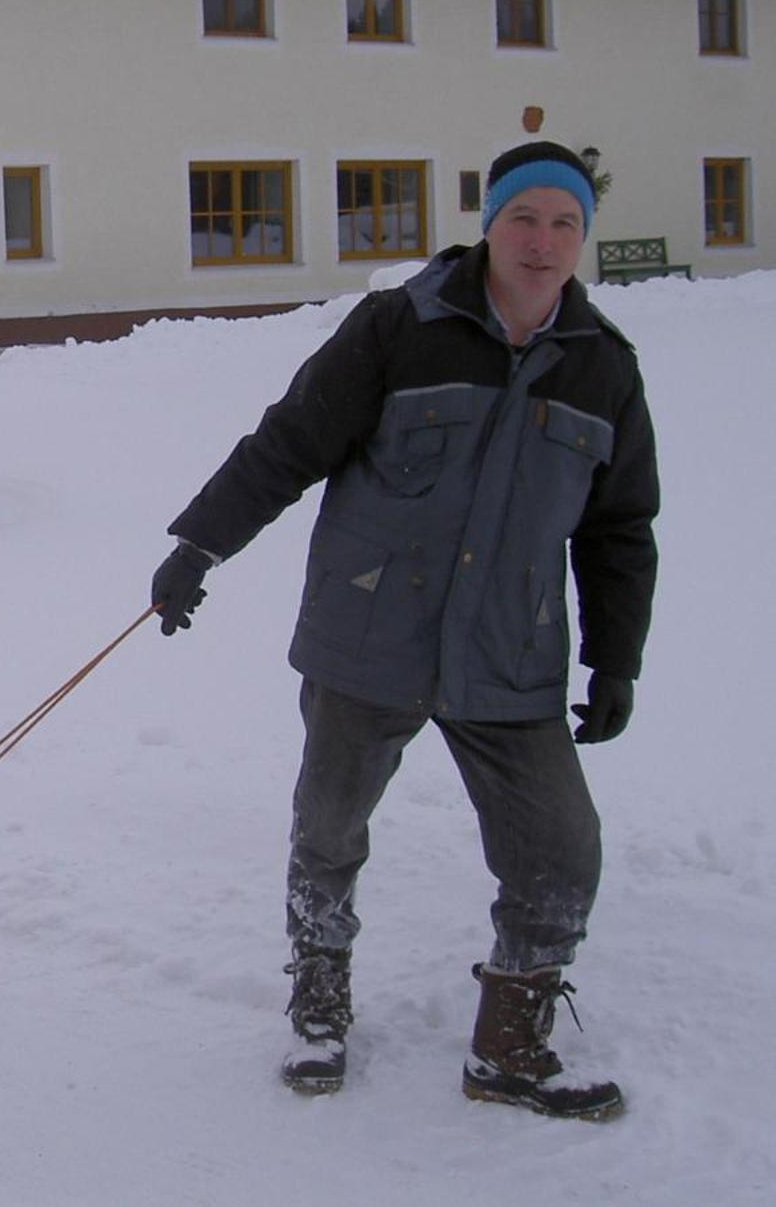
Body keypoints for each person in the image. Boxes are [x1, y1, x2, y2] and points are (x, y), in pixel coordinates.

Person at [150, 139, 657, 1119]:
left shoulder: (602, 370)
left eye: (563, 223)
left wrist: (614, 658)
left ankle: (508, 1046)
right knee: (329, 828)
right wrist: (197, 548)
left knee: (560, 851)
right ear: (489, 223)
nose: (541, 242)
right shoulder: (398, 327)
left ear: (581, 237)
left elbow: (616, 529)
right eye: (523, 218)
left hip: (506, 649)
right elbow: (288, 442)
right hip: (368, 629)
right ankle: (318, 1003)